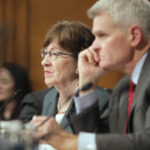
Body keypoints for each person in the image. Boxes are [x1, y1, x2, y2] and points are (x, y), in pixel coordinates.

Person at [31, 0, 150, 150]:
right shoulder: (124, 87)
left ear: (134, 35)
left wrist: (71, 142)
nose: (94, 46)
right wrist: (87, 83)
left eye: (102, 35)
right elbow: (100, 138)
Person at [20, 20, 111, 134]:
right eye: (45, 53)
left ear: (80, 61)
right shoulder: (50, 97)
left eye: (54, 54)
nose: (44, 62)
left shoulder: (101, 100)